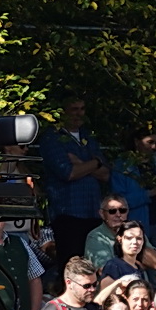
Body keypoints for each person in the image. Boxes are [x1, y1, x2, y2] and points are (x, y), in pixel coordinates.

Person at [38, 98, 111, 268]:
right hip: (68, 212)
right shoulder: (52, 137)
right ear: (63, 112)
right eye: (74, 109)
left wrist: (81, 163)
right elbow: (68, 173)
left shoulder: (88, 136)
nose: (79, 113)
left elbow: (106, 174)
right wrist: (95, 163)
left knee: (93, 264)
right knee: (72, 265)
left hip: (93, 211)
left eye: (82, 108)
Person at [84, 195, 154, 272]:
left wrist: (130, 238)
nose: (118, 214)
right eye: (112, 211)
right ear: (102, 214)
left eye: (122, 210)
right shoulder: (96, 237)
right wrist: (134, 264)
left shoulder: (136, 233)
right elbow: (106, 271)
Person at [99, 221, 156, 290]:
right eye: (129, 238)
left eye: (139, 238)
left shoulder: (138, 267)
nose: (134, 242)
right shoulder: (113, 265)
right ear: (120, 240)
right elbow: (105, 295)